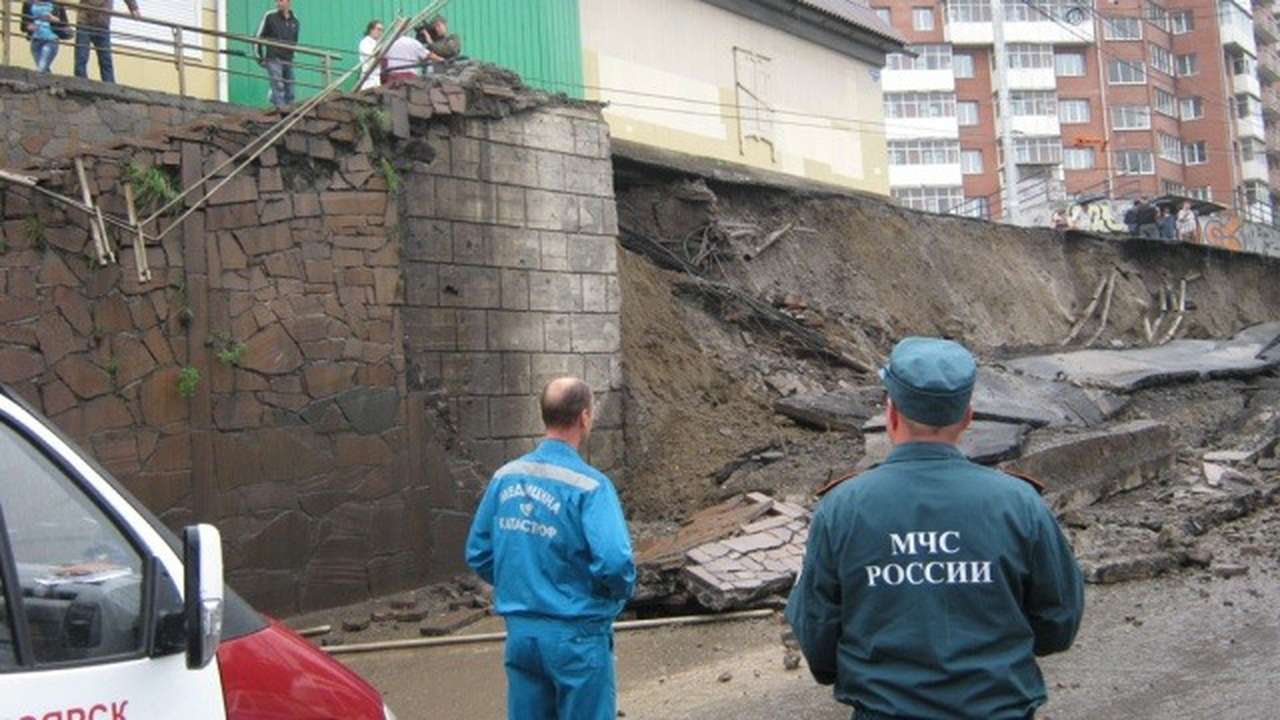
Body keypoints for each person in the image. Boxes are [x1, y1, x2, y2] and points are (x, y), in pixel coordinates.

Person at [786, 337, 1084, 720]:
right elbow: (1058, 623)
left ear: (891, 413)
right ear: (967, 418)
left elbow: (817, 636)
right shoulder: (1020, 503)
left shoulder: (840, 509)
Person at [466, 377, 635, 720]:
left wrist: (521, 583)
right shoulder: (591, 487)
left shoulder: (505, 477)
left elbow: (479, 552)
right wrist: (609, 597)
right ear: (584, 417)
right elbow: (615, 563)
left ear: (544, 415)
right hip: (577, 635)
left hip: (521, 634)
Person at [72, 0, 138, 83]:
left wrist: (134, 8)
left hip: (102, 25)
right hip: (85, 22)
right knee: (81, 57)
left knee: (105, 60)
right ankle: (81, 83)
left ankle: (109, 86)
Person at [257, 0, 300, 109]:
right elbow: (258, 38)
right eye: (277, 1)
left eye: (281, 0)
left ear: (289, 2)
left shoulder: (295, 21)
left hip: (288, 59)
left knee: (290, 87)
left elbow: (294, 41)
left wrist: (292, 55)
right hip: (273, 58)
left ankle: (289, 109)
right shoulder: (270, 17)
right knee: (278, 85)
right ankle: (280, 109)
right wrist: (260, 58)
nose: (278, 3)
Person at [21, 1, 70, 73]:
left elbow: (64, 23)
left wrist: (53, 18)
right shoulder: (28, 3)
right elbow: (23, 25)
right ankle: (51, 80)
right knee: (44, 70)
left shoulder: (56, 3)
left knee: (41, 68)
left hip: (51, 40)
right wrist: (29, 27)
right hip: (35, 41)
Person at [357, 19, 384, 91]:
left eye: (382, 30)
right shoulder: (365, 42)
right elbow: (371, 61)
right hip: (368, 80)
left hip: (376, 78)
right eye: (378, 29)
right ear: (371, 30)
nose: (380, 32)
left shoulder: (377, 43)